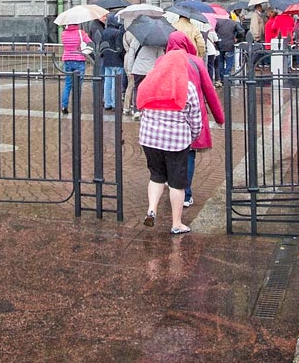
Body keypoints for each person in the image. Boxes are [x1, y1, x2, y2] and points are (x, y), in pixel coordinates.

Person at [136, 45, 203, 234]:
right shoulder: (187, 87)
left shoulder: (148, 82)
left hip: (149, 139)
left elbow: (140, 107)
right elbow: (195, 119)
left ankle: (151, 209)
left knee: (156, 176)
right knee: (177, 183)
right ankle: (176, 223)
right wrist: (193, 136)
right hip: (176, 142)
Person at [166, 31, 224, 208]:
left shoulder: (162, 61)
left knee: (171, 153)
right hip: (192, 114)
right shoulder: (196, 62)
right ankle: (185, 194)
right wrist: (219, 117)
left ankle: (173, 187)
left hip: (168, 115)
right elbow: (209, 91)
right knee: (189, 153)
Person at [96, 14, 126, 111]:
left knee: (107, 82)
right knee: (116, 83)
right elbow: (119, 47)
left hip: (107, 60)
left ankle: (107, 103)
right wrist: (122, 56)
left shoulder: (104, 32)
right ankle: (115, 104)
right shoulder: (117, 33)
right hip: (117, 61)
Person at [59, 22, 91, 114]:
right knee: (78, 85)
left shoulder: (63, 34)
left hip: (67, 59)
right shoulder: (81, 33)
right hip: (79, 59)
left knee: (68, 84)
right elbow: (90, 43)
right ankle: (76, 106)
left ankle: (64, 106)